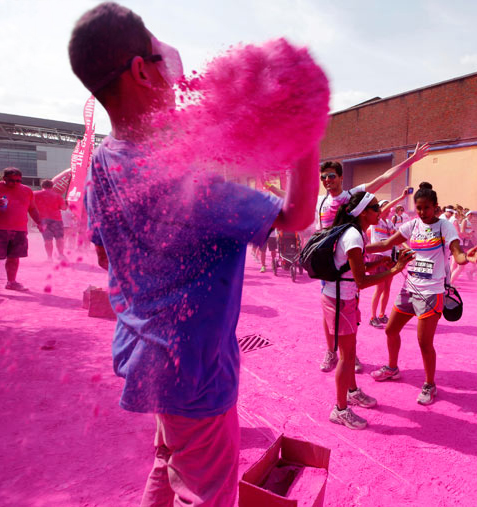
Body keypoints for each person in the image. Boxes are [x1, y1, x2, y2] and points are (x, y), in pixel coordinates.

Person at [69, 3, 317, 504]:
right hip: (195, 367)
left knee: (169, 458)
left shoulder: (103, 160)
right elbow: (295, 217)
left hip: (146, 353)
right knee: (205, 491)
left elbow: (102, 245)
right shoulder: (184, 182)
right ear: (141, 70)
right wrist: (302, 134)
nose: (174, 72)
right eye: (162, 62)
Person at [278, 144, 429, 373]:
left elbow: (384, 177)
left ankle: (350, 354)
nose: (327, 180)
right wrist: (273, 185)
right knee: (328, 310)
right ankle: (331, 352)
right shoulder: (319, 200)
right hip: (328, 264)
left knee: (352, 309)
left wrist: (410, 161)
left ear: (340, 177)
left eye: (331, 176)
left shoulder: (352, 196)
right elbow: (294, 199)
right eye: (323, 177)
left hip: (351, 259)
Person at [366, 182, 477, 405]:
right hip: (410, 289)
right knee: (390, 330)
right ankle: (392, 368)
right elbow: (387, 243)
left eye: (426, 208)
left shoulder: (444, 227)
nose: (422, 212)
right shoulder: (413, 225)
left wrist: (467, 258)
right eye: (418, 207)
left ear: (435, 207)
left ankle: (429, 385)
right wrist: (358, 248)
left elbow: (457, 254)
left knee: (424, 343)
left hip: (431, 293)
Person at [324, 192, 414, 429]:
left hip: (344, 299)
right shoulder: (354, 236)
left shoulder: (357, 233)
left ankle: (352, 392)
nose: (379, 211)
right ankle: (340, 409)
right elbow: (362, 280)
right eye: (375, 208)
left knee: (350, 352)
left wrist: (378, 263)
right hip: (340, 301)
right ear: (364, 212)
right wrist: (395, 269)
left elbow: (353, 267)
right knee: (346, 357)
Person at [0, 167, 44, 291]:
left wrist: (39, 222)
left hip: (19, 229)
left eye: (18, 181)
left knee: (14, 257)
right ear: (4, 178)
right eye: (11, 180)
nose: (15, 183)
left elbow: (32, 209)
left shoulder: (27, 190)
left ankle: (11, 282)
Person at [369, 188, 411, 328]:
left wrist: (408, 249)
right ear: (380, 209)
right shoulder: (376, 221)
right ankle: (372, 317)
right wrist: (400, 197)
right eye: (386, 206)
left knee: (387, 288)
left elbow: (397, 239)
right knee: (379, 288)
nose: (389, 209)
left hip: (389, 258)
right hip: (379, 257)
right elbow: (385, 209)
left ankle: (382, 314)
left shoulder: (390, 224)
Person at [34, 179, 69, 261]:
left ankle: (49, 257)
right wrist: (66, 203)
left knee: (47, 240)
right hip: (56, 219)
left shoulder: (35, 194)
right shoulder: (57, 196)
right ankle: (61, 254)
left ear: (42, 186)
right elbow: (63, 208)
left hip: (42, 220)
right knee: (59, 238)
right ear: (52, 186)